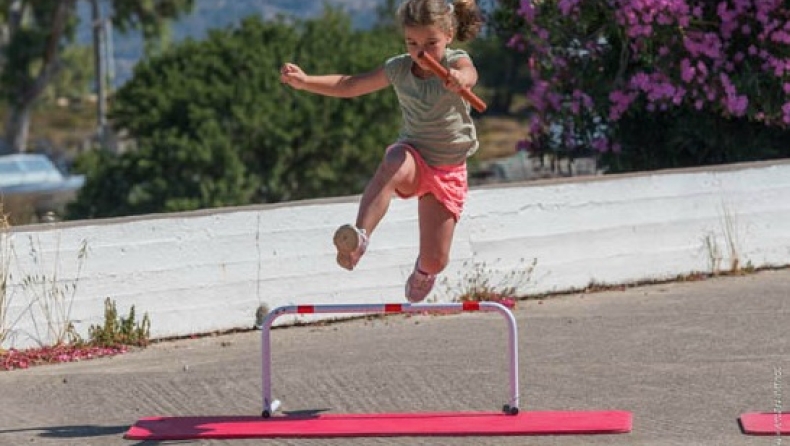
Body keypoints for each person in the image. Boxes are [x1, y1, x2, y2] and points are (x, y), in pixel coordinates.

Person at [280, 0, 484, 303]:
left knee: (435, 260)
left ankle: (423, 272)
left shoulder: (457, 62)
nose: (422, 53)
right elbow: (350, 84)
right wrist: (306, 81)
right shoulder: (399, 68)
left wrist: (460, 79)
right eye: (412, 43)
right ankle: (360, 236)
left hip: (447, 169)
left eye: (431, 43)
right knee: (394, 159)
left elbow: (470, 73)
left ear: (449, 35)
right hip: (414, 158)